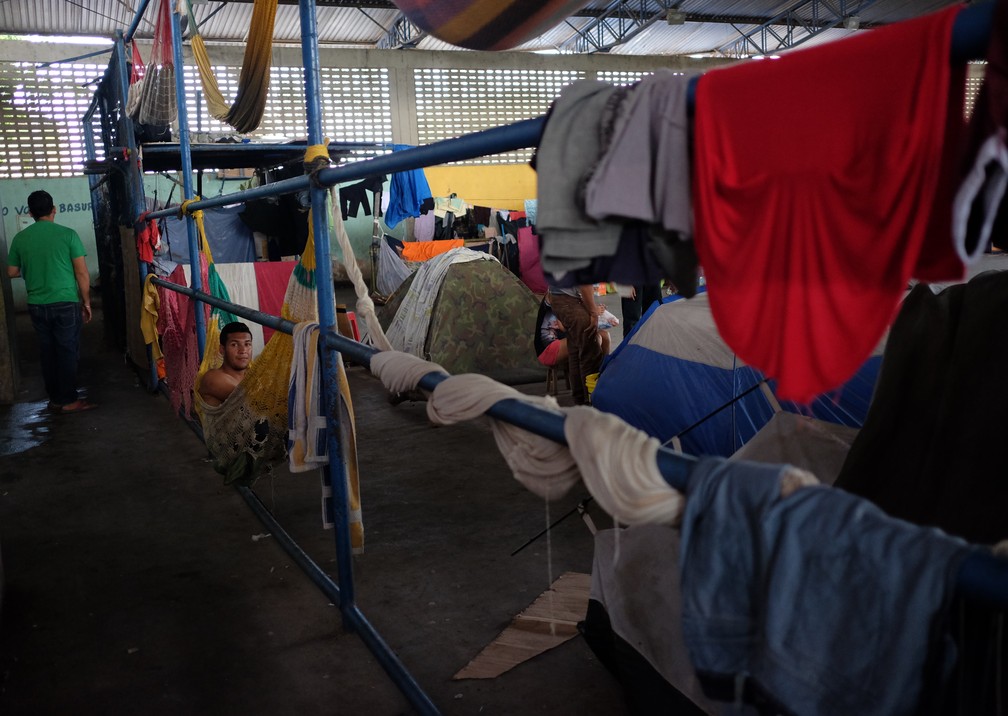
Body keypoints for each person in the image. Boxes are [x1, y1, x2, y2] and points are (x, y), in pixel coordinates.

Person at [6, 190, 96, 413]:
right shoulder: (68, 235)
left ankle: (55, 398)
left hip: (36, 304)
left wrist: (32, 270)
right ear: (54, 209)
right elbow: (82, 274)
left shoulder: (21, 238)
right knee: (67, 351)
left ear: (30, 212)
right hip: (65, 302)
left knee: (48, 352)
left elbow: (11, 272)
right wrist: (86, 302)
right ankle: (68, 400)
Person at [546, 284, 605, 405]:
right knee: (590, 355)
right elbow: (585, 284)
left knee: (575, 351)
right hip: (569, 302)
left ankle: (580, 399)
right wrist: (593, 313)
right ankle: (591, 400)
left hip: (558, 299)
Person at [534, 298, 611, 369]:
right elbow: (564, 327)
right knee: (594, 339)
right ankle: (591, 376)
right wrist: (592, 313)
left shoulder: (572, 294)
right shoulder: (555, 295)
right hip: (548, 349)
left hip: (565, 340)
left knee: (605, 335)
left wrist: (597, 311)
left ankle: (604, 371)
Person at [198, 322, 254, 407]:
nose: (243, 350)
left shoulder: (251, 373)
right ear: (222, 349)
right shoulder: (213, 378)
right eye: (234, 345)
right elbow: (253, 403)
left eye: (247, 344)